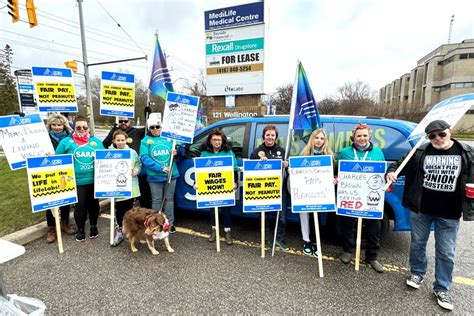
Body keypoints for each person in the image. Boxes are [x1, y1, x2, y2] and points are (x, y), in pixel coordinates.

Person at [386, 120, 473, 311]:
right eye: (432, 136)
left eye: (441, 134)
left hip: (450, 213)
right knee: (417, 244)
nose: (437, 139)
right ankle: (417, 273)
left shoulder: (466, 152)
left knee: (446, 252)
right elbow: (398, 164)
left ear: (450, 132)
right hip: (421, 210)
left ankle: (442, 288)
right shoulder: (420, 151)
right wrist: (391, 172)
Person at [337, 122, 385, 273]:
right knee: (346, 224)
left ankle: (372, 256)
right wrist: (337, 177)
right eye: (359, 136)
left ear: (369, 136)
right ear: (353, 137)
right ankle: (347, 251)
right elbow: (337, 170)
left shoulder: (377, 152)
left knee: (373, 227)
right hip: (351, 196)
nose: (362, 138)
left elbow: (382, 173)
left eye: (365, 135)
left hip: (370, 198)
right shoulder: (345, 152)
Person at [56, 116, 105, 242]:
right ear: (74, 128)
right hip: (77, 181)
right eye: (78, 127)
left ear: (88, 128)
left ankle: (93, 226)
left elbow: (105, 157)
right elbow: (57, 159)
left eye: (84, 127)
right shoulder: (66, 142)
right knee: (81, 205)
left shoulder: (96, 142)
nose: (82, 129)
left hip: (95, 180)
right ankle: (81, 229)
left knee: (94, 204)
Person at [249, 125, 288, 251]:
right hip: (262, 189)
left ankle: (279, 240)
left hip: (279, 189)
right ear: (263, 136)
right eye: (268, 135)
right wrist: (258, 164)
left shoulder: (282, 151)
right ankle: (265, 240)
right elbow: (251, 170)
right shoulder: (257, 152)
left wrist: (287, 164)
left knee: (281, 217)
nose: (270, 137)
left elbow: (291, 167)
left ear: (276, 137)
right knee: (263, 215)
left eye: (272, 135)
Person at [197, 129, 238, 245]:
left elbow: (234, 169)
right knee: (212, 209)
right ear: (210, 140)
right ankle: (214, 229)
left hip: (225, 185)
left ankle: (227, 231)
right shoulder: (204, 153)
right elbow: (200, 171)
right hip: (211, 186)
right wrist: (197, 183)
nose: (217, 142)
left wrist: (235, 183)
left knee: (226, 209)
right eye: (214, 139)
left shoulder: (228, 152)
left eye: (219, 140)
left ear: (222, 140)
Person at [299, 128, 336, 256]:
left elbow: (334, 174)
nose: (319, 141)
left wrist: (334, 179)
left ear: (325, 141)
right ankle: (307, 241)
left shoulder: (329, 156)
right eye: (316, 138)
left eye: (322, 138)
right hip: (305, 192)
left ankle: (316, 242)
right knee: (304, 214)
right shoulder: (303, 154)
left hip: (320, 193)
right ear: (312, 139)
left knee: (318, 216)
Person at [139, 116, 179, 233]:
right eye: (152, 127)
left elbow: (182, 150)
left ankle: (169, 224)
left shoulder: (170, 138)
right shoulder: (145, 141)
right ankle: (155, 223)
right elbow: (144, 158)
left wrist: (177, 151)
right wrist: (160, 168)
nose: (156, 129)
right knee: (157, 200)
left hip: (171, 174)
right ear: (149, 128)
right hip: (154, 176)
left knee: (169, 199)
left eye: (158, 126)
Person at [102, 117, 151, 209]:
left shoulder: (136, 131)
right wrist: (113, 129)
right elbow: (105, 144)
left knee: (144, 197)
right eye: (121, 121)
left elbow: (148, 128)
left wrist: (147, 115)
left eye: (125, 121)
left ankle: (145, 218)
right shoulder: (114, 132)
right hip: (119, 177)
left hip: (135, 173)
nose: (123, 123)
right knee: (122, 205)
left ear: (129, 122)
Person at [44, 114, 75, 243]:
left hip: (65, 171)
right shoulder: (44, 138)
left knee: (65, 198)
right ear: (50, 125)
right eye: (54, 125)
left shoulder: (70, 138)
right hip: (48, 171)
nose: (57, 127)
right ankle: (51, 228)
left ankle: (64, 223)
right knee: (49, 198)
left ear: (64, 125)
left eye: (59, 125)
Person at [111, 130, 141, 247]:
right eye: (118, 140)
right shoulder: (109, 153)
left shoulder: (132, 152)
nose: (120, 142)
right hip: (116, 188)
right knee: (119, 211)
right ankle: (119, 232)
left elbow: (138, 164)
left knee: (129, 211)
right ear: (114, 141)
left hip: (130, 187)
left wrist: (136, 171)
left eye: (122, 140)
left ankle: (129, 231)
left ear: (126, 140)